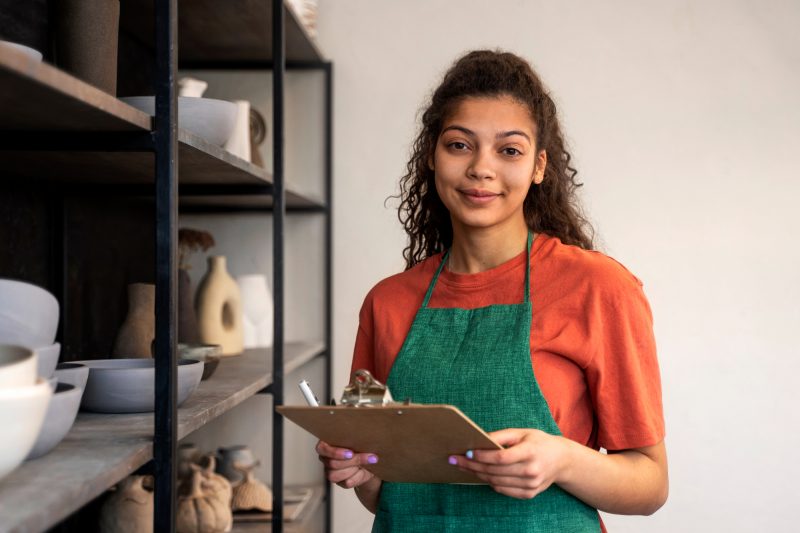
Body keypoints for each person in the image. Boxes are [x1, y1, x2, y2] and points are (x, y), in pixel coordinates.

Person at [316, 49, 667, 532]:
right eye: (460, 145)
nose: (482, 168)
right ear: (432, 156)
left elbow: (650, 485)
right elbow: (390, 497)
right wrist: (360, 471)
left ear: (539, 166)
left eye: (509, 150)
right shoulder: (388, 301)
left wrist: (562, 460)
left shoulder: (597, 288)